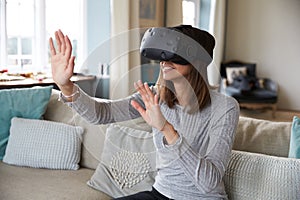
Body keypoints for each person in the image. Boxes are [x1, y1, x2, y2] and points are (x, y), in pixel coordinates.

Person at [49, 25, 239, 200]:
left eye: (173, 53)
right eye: (163, 53)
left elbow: (209, 183)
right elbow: (101, 114)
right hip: (160, 194)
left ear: (197, 61)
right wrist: (66, 86)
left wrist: (166, 129)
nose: (164, 61)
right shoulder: (154, 97)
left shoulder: (225, 108)